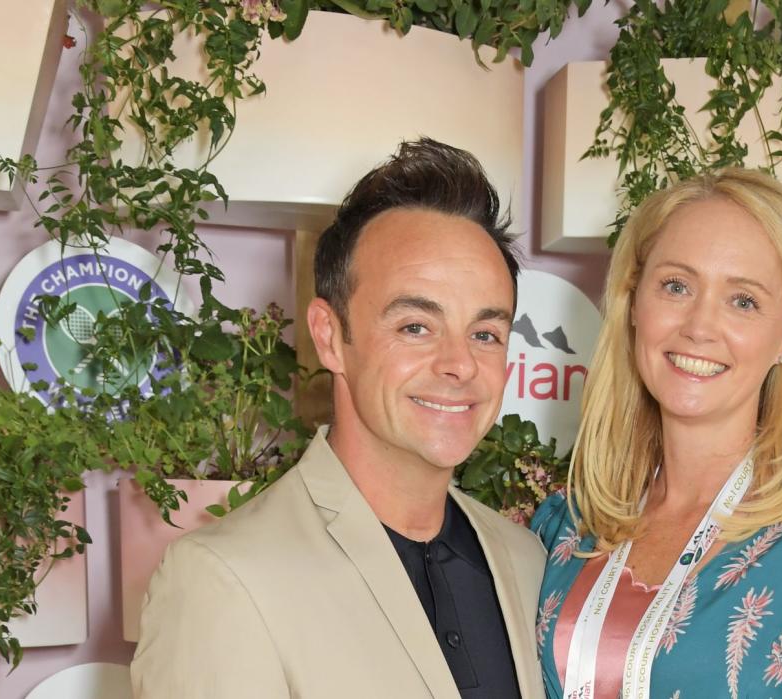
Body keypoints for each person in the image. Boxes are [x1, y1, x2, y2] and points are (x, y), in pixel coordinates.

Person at [132, 139, 546, 699]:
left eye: (485, 334)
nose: (459, 365)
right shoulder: (223, 578)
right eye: (415, 327)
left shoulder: (526, 559)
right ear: (329, 337)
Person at [532, 169, 782, 699]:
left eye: (743, 300)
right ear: (633, 303)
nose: (700, 326)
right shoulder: (567, 525)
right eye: (676, 286)